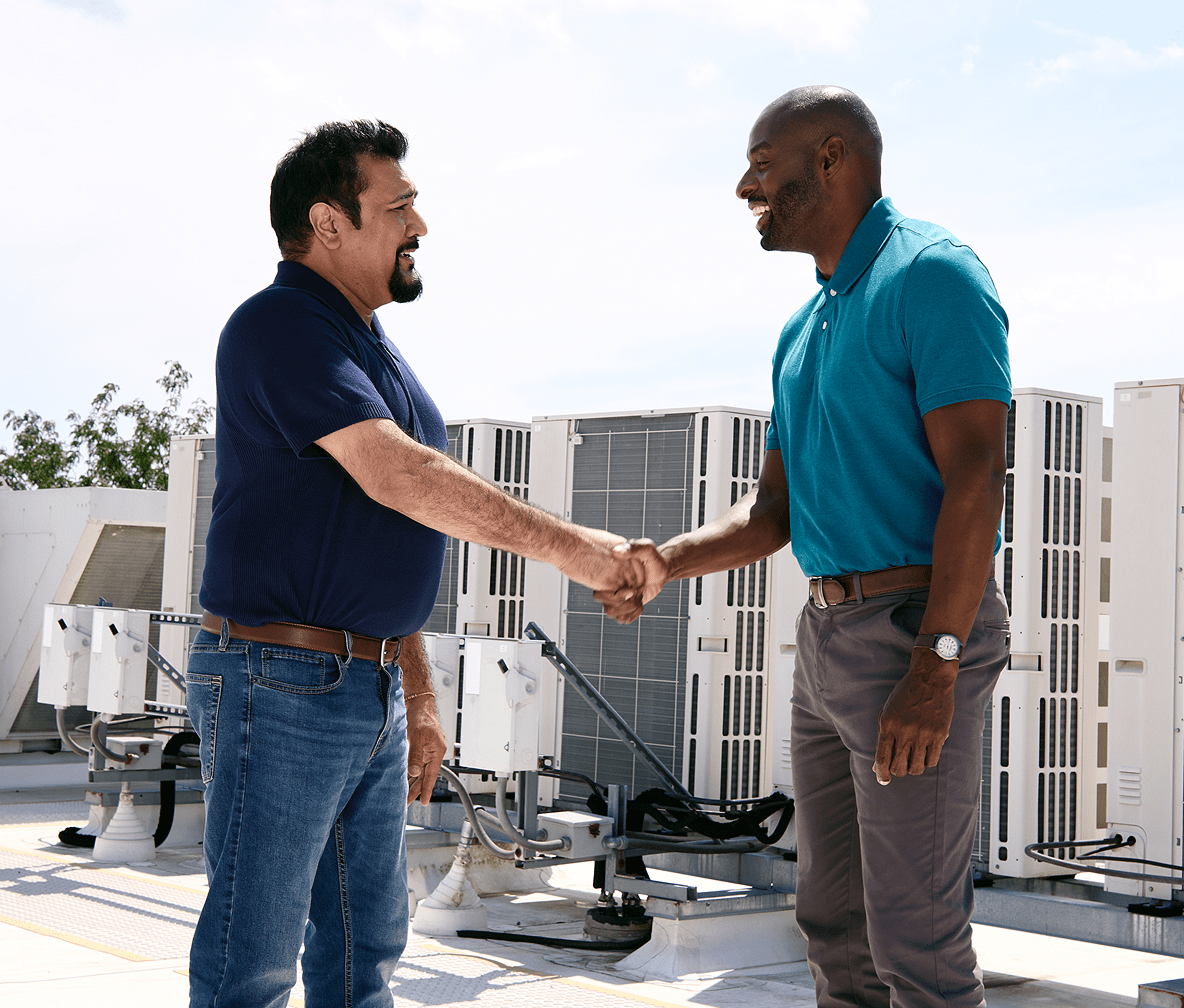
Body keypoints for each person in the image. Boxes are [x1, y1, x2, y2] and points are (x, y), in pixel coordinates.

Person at [187, 120, 654, 1008]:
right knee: (253, 958)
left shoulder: (371, 348)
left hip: (366, 686)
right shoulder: (280, 325)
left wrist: (422, 698)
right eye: (399, 206)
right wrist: (577, 550)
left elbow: (380, 543)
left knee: (368, 952)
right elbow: (401, 477)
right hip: (278, 680)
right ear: (328, 224)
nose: (420, 225)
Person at [601, 86, 1011, 1008]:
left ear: (832, 158)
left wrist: (936, 665)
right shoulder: (803, 328)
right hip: (826, 639)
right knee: (833, 926)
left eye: (762, 163)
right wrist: (667, 559)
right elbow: (770, 513)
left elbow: (978, 477)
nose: (744, 185)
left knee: (918, 942)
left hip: (914, 632)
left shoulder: (933, 275)